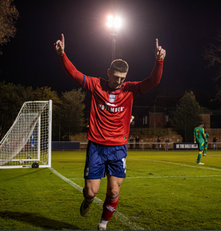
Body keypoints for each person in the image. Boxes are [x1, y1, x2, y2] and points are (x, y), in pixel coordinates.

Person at [54, 34, 165, 230]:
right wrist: (62, 54)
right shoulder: (96, 85)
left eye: (122, 78)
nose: (118, 82)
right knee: (91, 192)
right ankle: (87, 202)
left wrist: (159, 61)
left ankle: (103, 224)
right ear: (108, 73)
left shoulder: (130, 90)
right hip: (96, 146)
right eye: (115, 78)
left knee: (114, 191)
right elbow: (75, 74)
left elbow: (153, 81)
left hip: (118, 148)